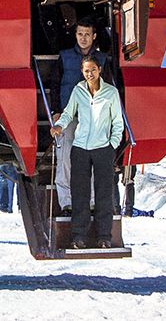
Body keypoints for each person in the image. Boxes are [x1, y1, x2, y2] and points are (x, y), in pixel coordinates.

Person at [49, 55, 125, 248]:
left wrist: (112, 145)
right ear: (82, 72)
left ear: (99, 70)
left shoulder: (111, 93)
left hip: (102, 149)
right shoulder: (78, 90)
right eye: (86, 71)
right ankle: (78, 237)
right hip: (80, 147)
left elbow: (117, 123)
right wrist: (59, 126)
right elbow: (68, 113)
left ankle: (104, 237)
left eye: (92, 70)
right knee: (80, 195)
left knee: (103, 195)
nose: (89, 74)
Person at [55, 20, 115, 208]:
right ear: (76, 35)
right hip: (69, 115)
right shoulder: (64, 57)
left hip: (94, 118)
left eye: (87, 34)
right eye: (80, 34)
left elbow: (110, 88)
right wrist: (56, 111)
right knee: (65, 159)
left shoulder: (102, 60)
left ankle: (90, 202)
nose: (83, 38)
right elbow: (55, 85)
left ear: (94, 36)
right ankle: (67, 202)